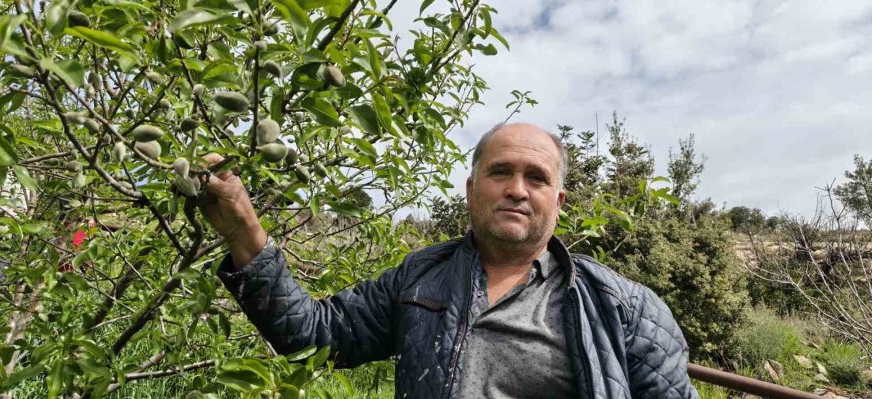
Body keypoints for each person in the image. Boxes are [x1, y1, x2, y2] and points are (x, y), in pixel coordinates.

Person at [201, 122, 698, 398]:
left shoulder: (624, 308)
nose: (517, 190)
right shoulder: (419, 278)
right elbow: (315, 335)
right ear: (470, 190)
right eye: (500, 171)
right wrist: (246, 233)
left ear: (559, 202)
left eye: (537, 178)